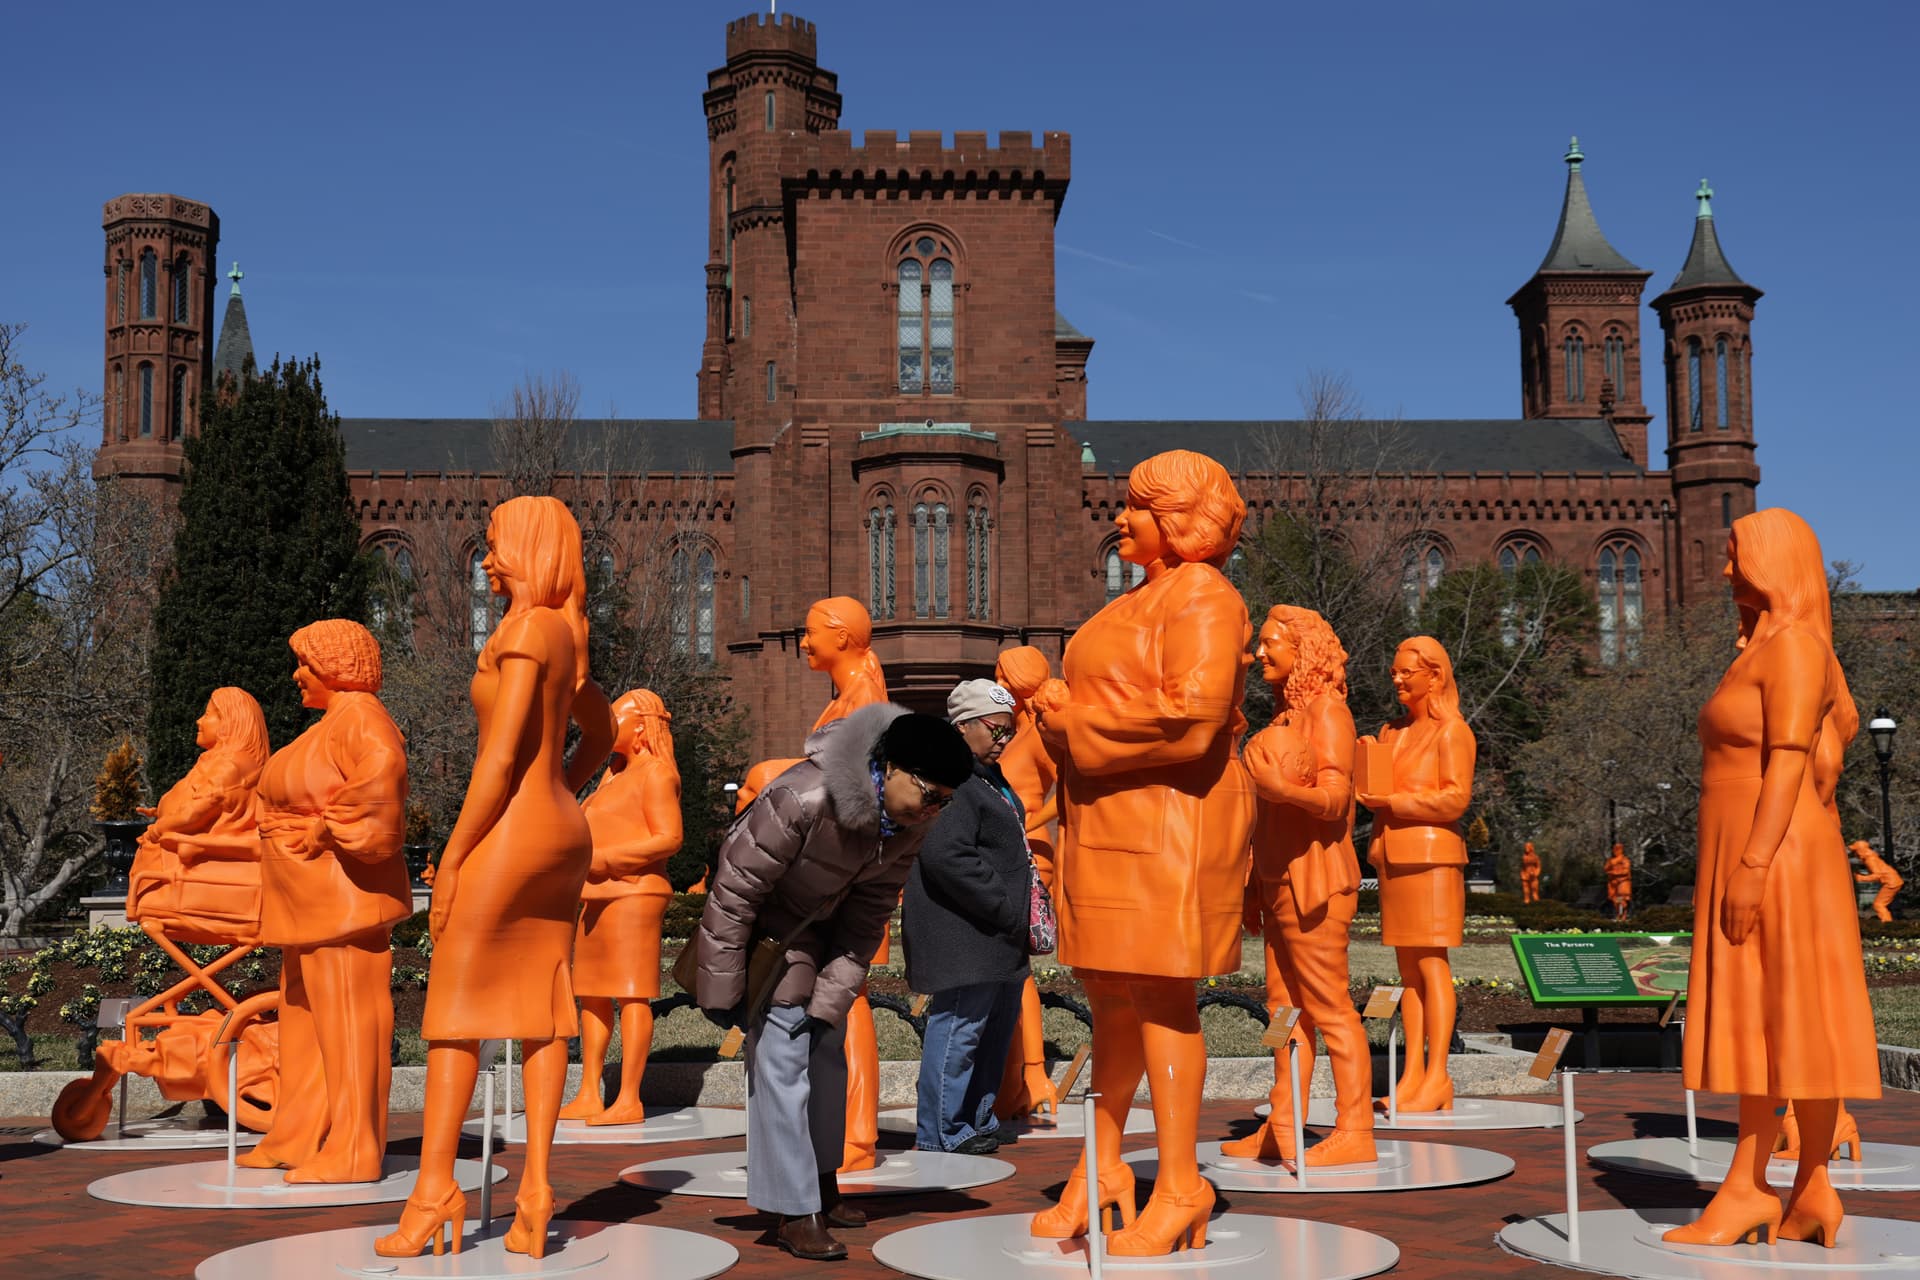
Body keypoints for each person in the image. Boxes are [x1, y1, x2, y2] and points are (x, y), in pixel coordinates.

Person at [1029, 449, 1256, 1257]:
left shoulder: (1203, 595)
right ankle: (1106, 1169)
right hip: (1109, 819)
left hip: (1170, 821)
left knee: (1162, 1000)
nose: (1118, 519)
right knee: (1114, 1002)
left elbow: (1192, 719)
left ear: (1177, 520)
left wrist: (1070, 726)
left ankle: (1180, 1186)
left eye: (1135, 507)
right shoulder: (1145, 597)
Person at [379, 496, 614, 1260]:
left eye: (495, 545)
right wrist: (569, 789)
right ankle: (538, 1192)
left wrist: (450, 857)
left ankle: (434, 1190)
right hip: (561, 833)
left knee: (454, 1013)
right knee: (547, 1008)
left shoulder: (522, 632)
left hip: (511, 832)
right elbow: (601, 732)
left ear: (531, 546)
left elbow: (500, 757)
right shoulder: (569, 635)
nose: (486, 559)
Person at [1665, 508, 1879, 1251]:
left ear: (1770, 564)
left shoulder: (1792, 648)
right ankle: (1813, 1188)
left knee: (1772, 1019)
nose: (1725, 571)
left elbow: (1787, 756)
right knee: (1797, 1017)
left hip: (1773, 846)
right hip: (1768, 841)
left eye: (1735, 557)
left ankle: (1748, 1188)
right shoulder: (1776, 646)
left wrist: (1753, 865)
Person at [690, 705, 973, 1262]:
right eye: (928, 793)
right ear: (890, 768)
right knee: (781, 1061)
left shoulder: (909, 824)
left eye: (945, 799)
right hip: (769, 934)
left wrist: (835, 990)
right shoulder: (802, 798)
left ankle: (821, 1183)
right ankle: (794, 1211)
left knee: (825, 1053)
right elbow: (735, 889)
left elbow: (869, 914)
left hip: (821, 935)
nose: (933, 810)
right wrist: (721, 987)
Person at [242, 620, 410, 1184]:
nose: (296, 675)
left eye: (306, 665)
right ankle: (299, 1129)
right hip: (307, 902)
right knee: (304, 1018)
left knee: (345, 1017)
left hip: (341, 900)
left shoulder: (360, 717)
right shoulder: (333, 724)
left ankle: (355, 1146)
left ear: (334, 666)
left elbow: (383, 777)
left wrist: (325, 832)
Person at [732, 596, 893, 1172]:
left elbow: (857, 804)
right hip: (832, 886)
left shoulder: (865, 705)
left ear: (842, 638)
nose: (802, 643)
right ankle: (844, 1133)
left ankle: (855, 1136)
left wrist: (776, 780)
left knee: (849, 1009)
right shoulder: (847, 700)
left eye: (810, 633)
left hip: (844, 890)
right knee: (842, 1011)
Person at [1227, 605, 1374, 1166]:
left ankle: (1355, 1129)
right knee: (1285, 1010)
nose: (1260, 653)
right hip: (1277, 881)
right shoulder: (1286, 720)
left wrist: (1279, 787)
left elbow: (1338, 801)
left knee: (1331, 1008)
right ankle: (1282, 1122)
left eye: (1270, 643)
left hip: (1316, 881)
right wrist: (1250, 882)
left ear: (1302, 649)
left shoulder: (1330, 715)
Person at [904, 679, 1030, 1155]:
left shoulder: (985, 776)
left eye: (1009, 732)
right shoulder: (952, 776)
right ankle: (940, 1132)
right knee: (960, 1029)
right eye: (996, 731)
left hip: (995, 932)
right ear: (963, 728)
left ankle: (973, 1119)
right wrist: (1003, 903)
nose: (1004, 740)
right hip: (966, 930)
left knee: (991, 1030)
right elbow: (945, 854)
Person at [1355, 635, 1476, 1114]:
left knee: (1432, 966)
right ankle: (1413, 1076)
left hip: (1432, 858)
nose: (1398, 680)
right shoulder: (1391, 731)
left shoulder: (1453, 732)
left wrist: (1394, 803)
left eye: (1408, 672)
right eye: (1394, 672)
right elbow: (1376, 788)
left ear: (1436, 676)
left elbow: (1454, 799)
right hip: (1394, 858)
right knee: (1408, 974)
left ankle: (1438, 1075)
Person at [559, 689, 682, 1125]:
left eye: (617, 721)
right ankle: (590, 1091)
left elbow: (669, 837)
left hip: (634, 893)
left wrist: (608, 860)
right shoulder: (614, 777)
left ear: (642, 726)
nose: (607, 730)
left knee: (632, 994)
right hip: (596, 895)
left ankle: (629, 1098)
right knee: (591, 993)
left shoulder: (656, 776)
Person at [990, 646, 1061, 1121]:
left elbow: (1073, 784)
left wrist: (1033, 819)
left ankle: (1033, 1074)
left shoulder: (1039, 736)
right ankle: (1017, 1077)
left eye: (998, 674)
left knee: (1017, 967)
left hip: (1031, 856)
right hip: (1011, 854)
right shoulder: (1017, 734)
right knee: (1010, 968)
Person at [1853, 840, 1904, 924]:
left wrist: (1861, 878)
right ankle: (1887, 923)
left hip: (1891, 883)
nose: (1855, 853)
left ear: (1860, 850)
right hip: (1893, 881)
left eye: (1855, 851)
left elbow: (1877, 875)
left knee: (1879, 904)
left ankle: (1887, 924)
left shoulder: (1870, 860)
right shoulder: (1870, 857)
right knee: (1880, 904)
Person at [1606, 843, 1633, 920]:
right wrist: (1611, 865)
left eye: (1618, 849)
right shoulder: (1611, 860)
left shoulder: (1625, 860)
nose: (1616, 851)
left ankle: (1623, 915)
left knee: (1621, 900)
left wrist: (1614, 872)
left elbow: (1625, 871)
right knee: (1615, 900)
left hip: (1622, 883)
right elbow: (1606, 868)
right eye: (1615, 849)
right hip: (1613, 883)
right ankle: (1618, 914)